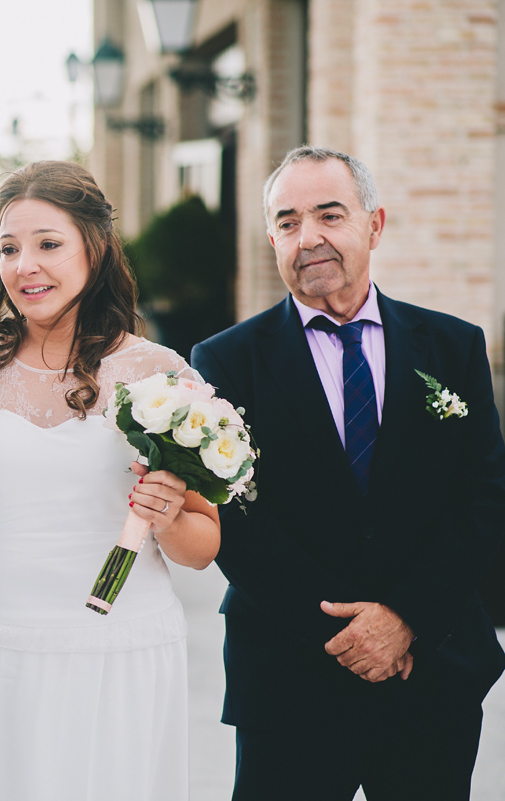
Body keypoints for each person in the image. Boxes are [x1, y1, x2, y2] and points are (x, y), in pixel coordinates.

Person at [0, 160, 221, 800]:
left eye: (48, 244)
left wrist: (170, 514)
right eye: (8, 248)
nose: (24, 265)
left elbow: (202, 547)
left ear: (94, 248)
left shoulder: (157, 373)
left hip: (111, 654)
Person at [191, 146, 505, 800]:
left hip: (431, 669)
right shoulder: (225, 361)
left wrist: (405, 618)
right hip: (289, 676)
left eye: (329, 215)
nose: (308, 238)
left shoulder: (453, 346)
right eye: (287, 222)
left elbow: (482, 497)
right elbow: (238, 520)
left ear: (374, 225)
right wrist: (350, 631)